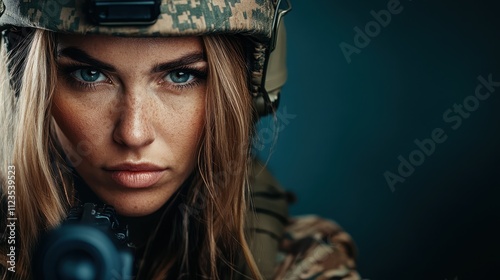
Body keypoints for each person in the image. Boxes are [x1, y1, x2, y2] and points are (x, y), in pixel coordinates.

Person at [0, 0, 360, 279]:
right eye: (89, 74)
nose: (133, 134)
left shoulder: (301, 265)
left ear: (245, 90)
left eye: (180, 76)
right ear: (25, 82)